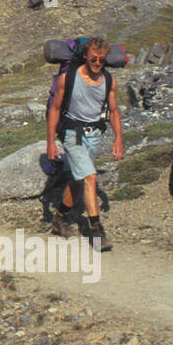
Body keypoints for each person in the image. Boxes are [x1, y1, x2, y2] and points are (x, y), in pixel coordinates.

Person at [46, 37, 123, 250]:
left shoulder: (110, 81)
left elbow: (114, 111)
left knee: (79, 179)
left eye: (101, 59)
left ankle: (60, 218)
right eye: (93, 58)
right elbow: (54, 110)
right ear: (85, 56)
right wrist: (51, 142)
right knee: (90, 177)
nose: (97, 62)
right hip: (72, 133)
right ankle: (96, 231)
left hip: (95, 134)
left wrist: (119, 138)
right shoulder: (67, 78)